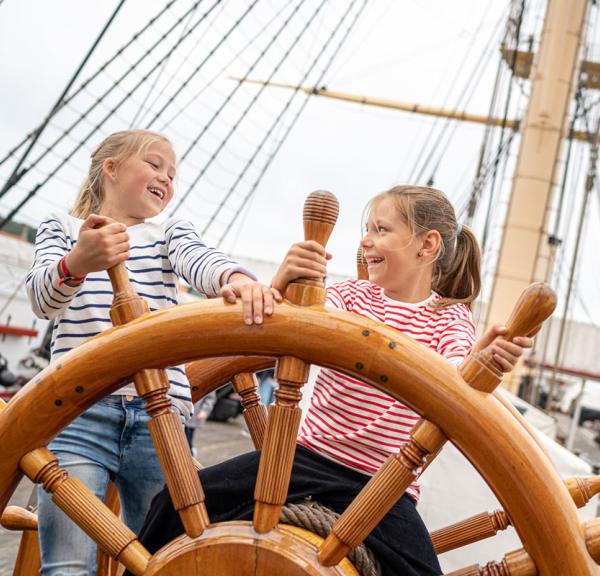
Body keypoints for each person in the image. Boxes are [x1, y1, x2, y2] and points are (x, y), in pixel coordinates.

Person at [131, 185, 533, 576]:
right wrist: (284, 282)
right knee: (174, 503)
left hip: (382, 489)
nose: (366, 242)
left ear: (426, 246)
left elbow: (455, 376)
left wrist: (484, 359)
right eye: (367, 230)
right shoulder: (353, 297)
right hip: (300, 460)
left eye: (381, 230)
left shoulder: (449, 318)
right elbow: (292, 323)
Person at [26, 129, 280, 576]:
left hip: (159, 418)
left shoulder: (168, 233)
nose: (166, 177)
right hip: (79, 413)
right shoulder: (64, 229)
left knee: (164, 563)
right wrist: (77, 262)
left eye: (172, 173)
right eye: (155, 164)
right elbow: (43, 300)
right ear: (112, 168)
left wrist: (236, 279)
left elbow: (199, 259)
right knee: (67, 565)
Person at [185, 392, 217, 456]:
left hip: (194, 415)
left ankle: (190, 454)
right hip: (181, 414)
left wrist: (204, 410)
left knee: (188, 439)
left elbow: (210, 398)